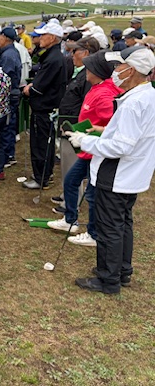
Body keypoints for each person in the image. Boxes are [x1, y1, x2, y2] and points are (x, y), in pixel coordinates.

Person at [69, 48, 155, 294]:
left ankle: (108, 278)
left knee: (109, 227)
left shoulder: (133, 103)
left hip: (117, 174)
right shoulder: (147, 95)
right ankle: (121, 270)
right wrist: (101, 131)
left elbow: (120, 146)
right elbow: (129, 134)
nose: (115, 72)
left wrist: (84, 141)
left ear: (132, 70)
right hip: (132, 173)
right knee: (123, 223)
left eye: (119, 67)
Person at [47, 50, 122, 246]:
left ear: (97, 71)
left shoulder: (105, 94)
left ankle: (93, 233)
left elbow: (113, 125)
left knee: (91, 194)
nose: (86, 70)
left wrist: (92, 135)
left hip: (96, 151)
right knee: (71, 181)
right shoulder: (97, 87)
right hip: (88, 149)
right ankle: (70, 220)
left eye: (89, 68)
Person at [22, 22, 66, 190]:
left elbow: (38, 88)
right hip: (47, 108)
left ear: (52, 38)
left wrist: (29, 89)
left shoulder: (52, 59)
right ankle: (45, 175)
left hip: (43, 108)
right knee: (45, 144)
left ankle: (41, 178)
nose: (40, 38)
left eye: (43, 35)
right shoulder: (52, 56)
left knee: (40, 145)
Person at [55, 37, 100, 199]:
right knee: (67, 164)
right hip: (69, 124)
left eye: (75, 51)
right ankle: (67, 196)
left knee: (71, 165)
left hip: (75, 126)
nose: (71, 55)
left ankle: (71, 201)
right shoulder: (81, 73)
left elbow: (86, 105)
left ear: (85, 53)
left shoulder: (88, 76)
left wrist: (76, 128)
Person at [0, 27, 22, 172]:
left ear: (5, 38)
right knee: (9, 125)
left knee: (6, 126)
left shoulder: (8, 55)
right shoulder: (10, 52)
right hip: (11, 94)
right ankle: (9, 154)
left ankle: (6, 156)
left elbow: (3, 78)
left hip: (8, 95)